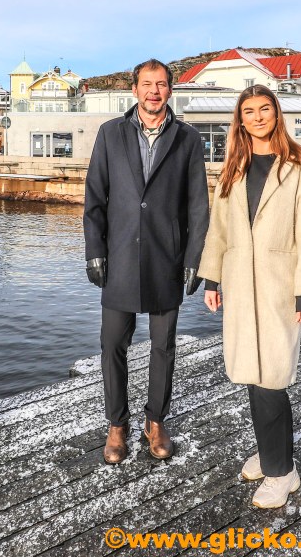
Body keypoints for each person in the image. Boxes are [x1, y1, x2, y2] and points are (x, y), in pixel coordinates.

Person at [198, 85, 301, 508]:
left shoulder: (299, 167)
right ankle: (274, 451)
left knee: (273, 377)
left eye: (264, 109)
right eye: (248, 111)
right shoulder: (234, 167)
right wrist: (212, 280)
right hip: (239, 283)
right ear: (240, 118)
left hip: (279, 286)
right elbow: (218, 229)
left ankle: (281, 472)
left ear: (276, 113)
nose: (256, 117)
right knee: (252, 374)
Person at [83, 59, 209, 464]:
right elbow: (94, 200)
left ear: (170, 90)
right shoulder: (110, 134)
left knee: (163, 346)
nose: (154, 91)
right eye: (146, 84)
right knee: (111, 345)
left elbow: (198, 207)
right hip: (119, 256)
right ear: (134, 90)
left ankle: (155, 421)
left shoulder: (188, 139)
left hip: (165, 258)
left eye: (161, 85)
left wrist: (194, 259)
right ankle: (117, 425)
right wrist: (94, 251)